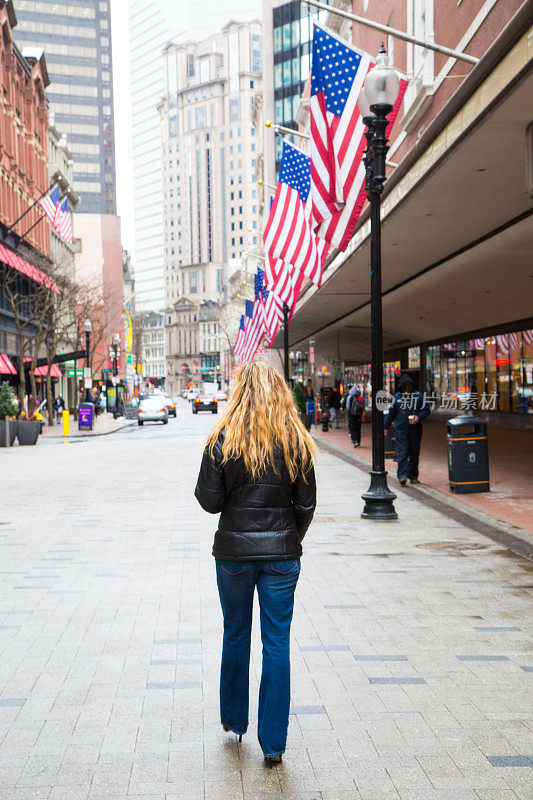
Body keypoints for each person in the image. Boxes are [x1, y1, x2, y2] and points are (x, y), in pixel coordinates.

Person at [194, 361, 316, 766]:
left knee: (235, 633)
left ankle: (234, 721)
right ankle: (274, 744)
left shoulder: (222, 438)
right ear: (281, 393)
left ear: (238, 393)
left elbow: (209, 502)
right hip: (282, 555)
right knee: (277, 643)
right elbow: (306, 504)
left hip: (233, 555)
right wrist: (287, 538)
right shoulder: (295, 439)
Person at [384, 374, 430, 485]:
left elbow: (426, 410)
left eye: (409, 386)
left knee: (414, 452)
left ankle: (413, 476)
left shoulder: (419, 397)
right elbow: (391, 413)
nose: (407, 389)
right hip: (401, 430)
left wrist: (418, 417)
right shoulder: (397, 398)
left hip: (415, 429)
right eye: (405, 386)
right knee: (403, 452)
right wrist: (386, 426)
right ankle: (402, 475)